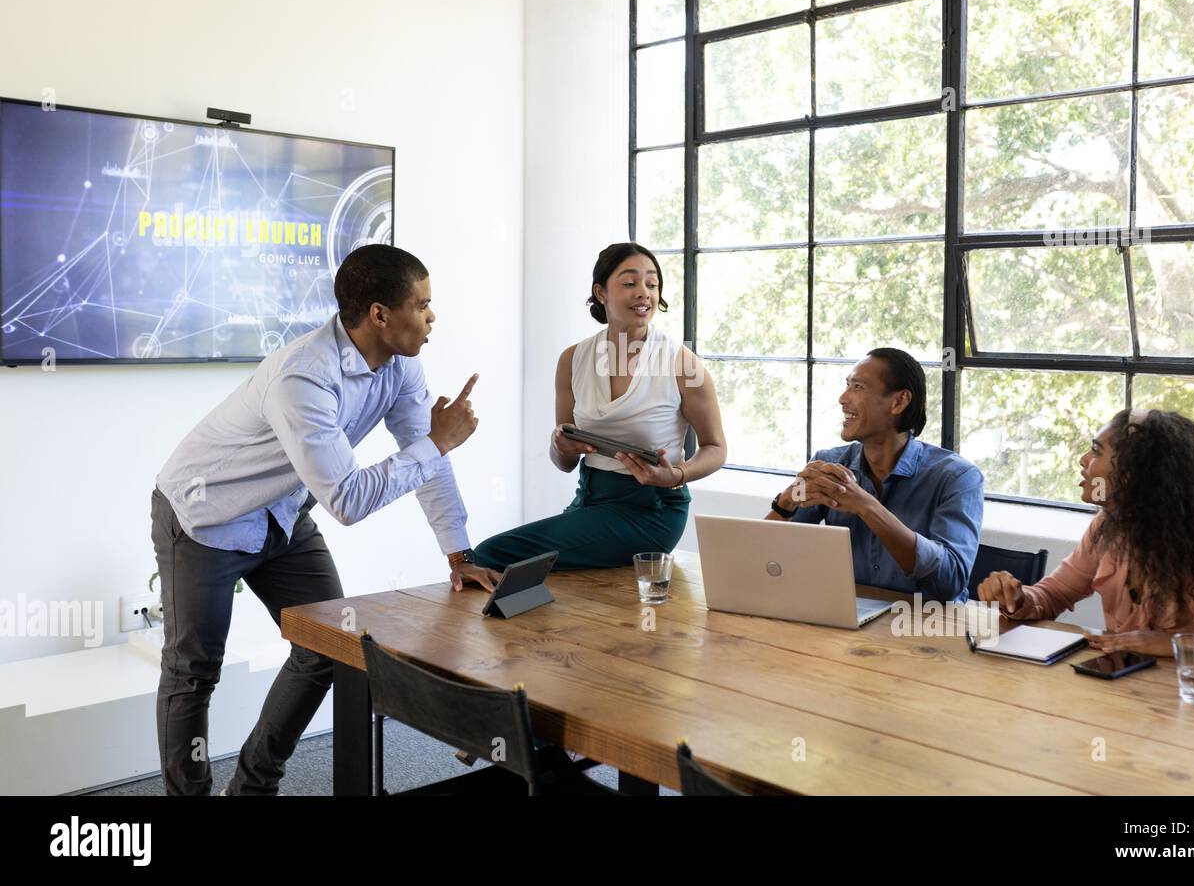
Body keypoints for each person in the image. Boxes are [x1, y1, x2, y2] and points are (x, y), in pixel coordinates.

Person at [151, 243, 498, 796]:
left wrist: (459, 555)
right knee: (194, 672)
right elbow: (350, 500)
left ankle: (252, 787)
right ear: (380, 314)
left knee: (327, 645)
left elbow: (424, 458)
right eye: (423, 304)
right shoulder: (303, 377)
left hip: (284, 517)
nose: (433, 317)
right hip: (204, 515)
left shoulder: (403, 365)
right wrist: (438, 441)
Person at [978, 408, 1194, 676]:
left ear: (1134, 473)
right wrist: (1017, 599)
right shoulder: (1108, 529)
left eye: (1096, 451)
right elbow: (1052, 595)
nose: (1082, 459)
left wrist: (1179, 644)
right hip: (1130, 703)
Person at [474, 242, 726, 569]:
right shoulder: (572, 359)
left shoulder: (682, 362)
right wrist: (561, 444)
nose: (644, 293)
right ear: (601, 292)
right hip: (589, 499)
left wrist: (676, 475)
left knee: (489, 555)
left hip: (654, 510)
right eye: (630, 282)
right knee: (530, 570)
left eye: (652, 284)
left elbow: (716, 447)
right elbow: (564, 461)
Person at [766, 349, 983, 602]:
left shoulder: (958, 478)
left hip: (928, 628)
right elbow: (769, 557)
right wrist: (786, 503)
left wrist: (866, 506)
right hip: (848, 622)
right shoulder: (829, 465)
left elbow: (951, 581)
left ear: (899, 402)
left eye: (858, 387)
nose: (842, 398)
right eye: (847, 385)